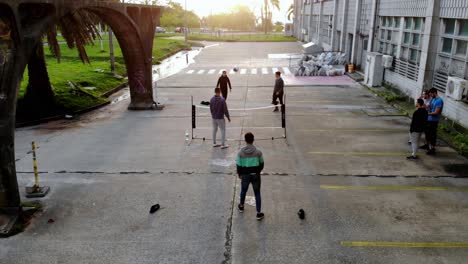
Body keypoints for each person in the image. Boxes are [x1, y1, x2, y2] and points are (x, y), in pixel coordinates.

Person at [237, 132, 265, 220]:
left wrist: (240, 174)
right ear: (253, 140)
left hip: (245, 175)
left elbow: (238, 165)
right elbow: (262, 163)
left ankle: (241, 206)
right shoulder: (258, 152)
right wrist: (258, 171)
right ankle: (258, 213)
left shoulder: (240, 153)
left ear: (245, 140)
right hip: (255, 175)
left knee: (243, 191)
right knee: (257, 193)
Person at [425, 88, 444, 155]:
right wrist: (422, 105)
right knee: (427, 133)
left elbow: (436, 112)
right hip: (428, 119)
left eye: (431, 94)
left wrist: (427, 113)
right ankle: (427, 145)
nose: (430, 95)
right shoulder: (433, 99)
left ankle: (432, 148)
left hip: (434, 121)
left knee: (432, 135)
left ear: (435, 93)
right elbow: (428, 105)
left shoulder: (439, 101)